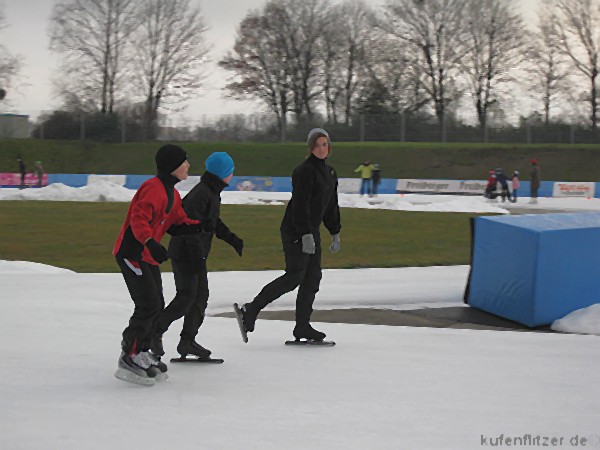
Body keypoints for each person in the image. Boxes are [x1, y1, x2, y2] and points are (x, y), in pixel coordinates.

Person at [234, 128, 342, 343]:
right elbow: (300, 204)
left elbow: (331, 205)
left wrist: (335, 231)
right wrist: (304, 233)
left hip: (312, 230)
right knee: (295, 276)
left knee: (312, 278)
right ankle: (250, 310)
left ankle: (302, 326)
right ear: (310, 147)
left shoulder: (330, 173)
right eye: (317, 145)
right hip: (295, 229)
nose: (322, 148)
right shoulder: (304, 171)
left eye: (325, 144)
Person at [113, 144, 202, 386]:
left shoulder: (172, 194)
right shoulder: (152, 188)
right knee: (148, 305)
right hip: (132, 253)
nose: (188, 166)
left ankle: (141, 350)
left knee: (157, 304)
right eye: (184, 161)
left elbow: (177, 221)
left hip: (147, 256)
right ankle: (129, 355)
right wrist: (150, 242)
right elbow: (138, 219)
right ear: (173, 165)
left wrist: (199, 226)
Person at [151, 152, 243, 360]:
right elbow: (187, 228)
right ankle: (154, 332)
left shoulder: (211, 191)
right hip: (186, 253)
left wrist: (232, 239)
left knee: (199, 297)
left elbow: (213, 221)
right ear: (223, 173)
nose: (232, 174)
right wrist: (196, 257)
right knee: (186, 298)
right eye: (230, 171)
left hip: (195, 254)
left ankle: (187, 341)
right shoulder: (202, 194)